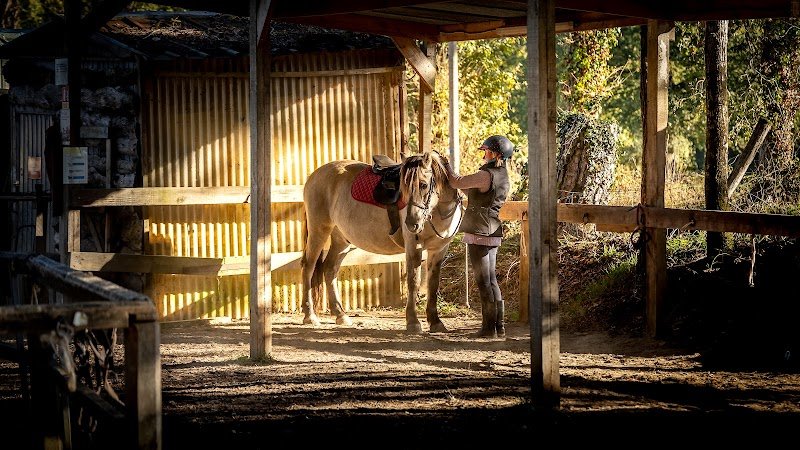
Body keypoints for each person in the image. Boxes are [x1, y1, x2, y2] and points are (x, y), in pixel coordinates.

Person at [443, 135, 516, 338]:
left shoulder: (485, 174)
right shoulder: (502, 175)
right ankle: (499, 327)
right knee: (491, 281)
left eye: (486, 151)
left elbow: (456, 182)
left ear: (494, 154)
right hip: (492, 230)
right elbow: (474, 192)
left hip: (479, 232)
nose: (484, 154)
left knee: (484, 281)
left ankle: (487, 329)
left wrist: (446, 165)